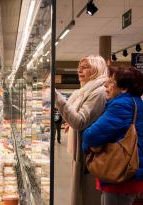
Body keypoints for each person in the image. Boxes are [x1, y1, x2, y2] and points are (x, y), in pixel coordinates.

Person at [82, 66, 143, 205]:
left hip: (119, 177)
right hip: (131, 174)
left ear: (124, 88)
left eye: (111, 82)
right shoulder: (137, 104)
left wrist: (89, 146)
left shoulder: (122, 105)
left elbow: (90, 136)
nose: (105, 85)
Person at [55, 55, 108, 205]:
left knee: (87, 196)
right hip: (80, 155)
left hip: (89, 158)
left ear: (96, 70)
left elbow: (80, 121)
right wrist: (70, 123)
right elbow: (78, 117)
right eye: (79, 66)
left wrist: (58, 99)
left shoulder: (98, 93)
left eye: (85, 67)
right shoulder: (86, 91)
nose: (80, 70)